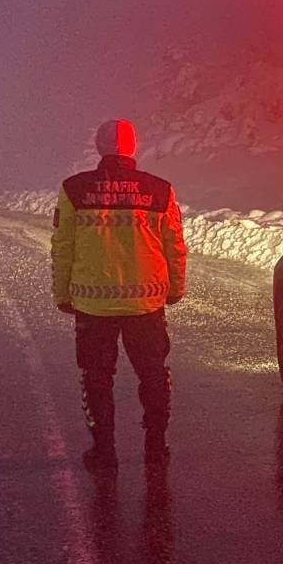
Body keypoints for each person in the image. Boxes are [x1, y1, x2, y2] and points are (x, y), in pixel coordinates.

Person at [50, 119, 187, 471]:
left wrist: (62, 293)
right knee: (154, 374)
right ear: (133, 148)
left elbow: (63, 246)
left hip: (93, 305)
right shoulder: (160, 190)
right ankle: (156, 447)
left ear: (99, 147)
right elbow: (174, 246)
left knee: (96, 377)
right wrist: (174, 288)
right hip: (146, 304)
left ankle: (104, 451)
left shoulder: (74, 190)